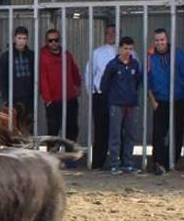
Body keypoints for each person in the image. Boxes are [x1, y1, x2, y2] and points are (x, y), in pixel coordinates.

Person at [146, 28, 184, 174]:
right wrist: (153, 101)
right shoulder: (150, 57)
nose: (160, 43)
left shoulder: (177, 54)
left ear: (167, 39)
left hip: (179, 100)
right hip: (161, 101)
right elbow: (147, 81)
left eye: (162, 39)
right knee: (158, 134)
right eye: (157, 40)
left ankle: (172, 162)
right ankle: (159, 163)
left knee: (177, 134)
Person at [100, 36, 142, 174]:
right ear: (120, 48)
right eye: (125, 48)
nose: (127, 51)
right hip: (116, 105)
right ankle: (114, 164)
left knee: (130, 134)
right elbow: (104, 85)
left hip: (131, 105)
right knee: (115, 135)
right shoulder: (112, 65)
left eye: (130, 48)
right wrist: (113, 98)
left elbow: (137, 82)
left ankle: (128, 163)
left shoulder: (134, 64)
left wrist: (132, 96)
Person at [39, 28, 82, 145]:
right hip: (54, 101)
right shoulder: (42, 56)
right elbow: (42, 78)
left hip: (70, 98)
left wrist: (78, 85)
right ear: (46, 42)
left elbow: (74, 70)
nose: (53, 43)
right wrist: (48, 100)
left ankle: (69, 157)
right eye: (50, 40)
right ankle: (52, 156)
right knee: (53, 131)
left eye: (56, 40)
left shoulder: (66, 54)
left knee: (72, 128)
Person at [86, 24, 117, 170]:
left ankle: (118, 162)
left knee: (119, 130)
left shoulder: (128, 52)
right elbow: (89, 73)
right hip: (100, 96)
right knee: (101, 130)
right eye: (108, 33)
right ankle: (98, 162)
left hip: (119, 97)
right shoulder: (97, 52)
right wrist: (91, 91)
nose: (111, 35)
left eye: (114, 33)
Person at [0, 26, 35, 129]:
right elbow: (1, 78)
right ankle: (14, 145)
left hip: (29, 97)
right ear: (14, 38)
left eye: (24, 38)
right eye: (19, 38)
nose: (22, 41)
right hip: (12, 97)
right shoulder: (6, 57)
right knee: (12, 126)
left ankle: (27, 145)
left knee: (27, 125)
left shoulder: (32, 56)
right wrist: (5, 97)